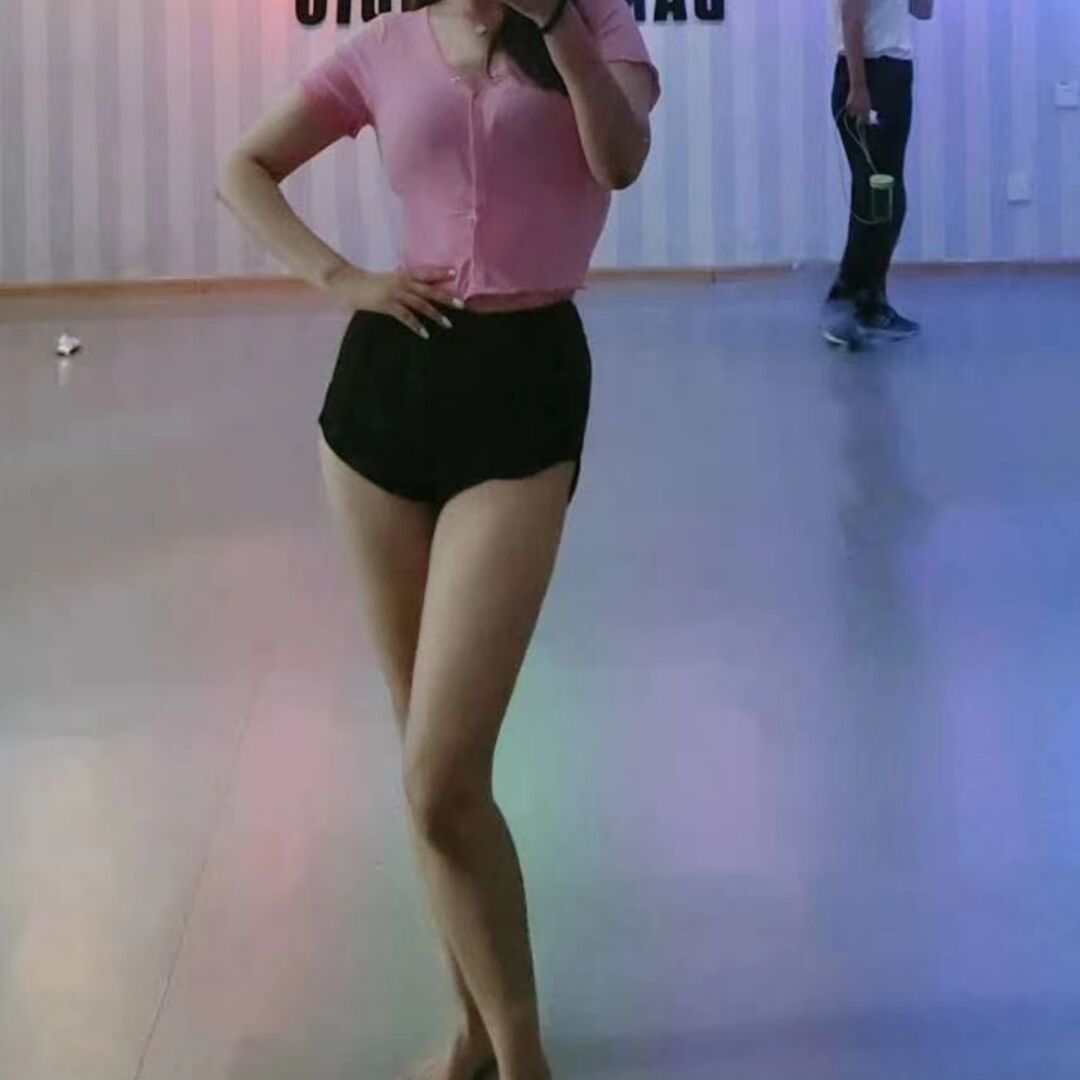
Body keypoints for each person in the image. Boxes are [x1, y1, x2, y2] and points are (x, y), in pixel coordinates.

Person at [217, 0, 659, 1075]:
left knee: (441, 771)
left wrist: (555, 23)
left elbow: (621, 161)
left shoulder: (597, 25)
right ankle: (474, 1028)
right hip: (386, 391)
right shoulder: (386, 44)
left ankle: (520, 1055)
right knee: (426, 758)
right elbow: (246, 166)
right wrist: (342, 279)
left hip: (524, 385)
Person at [823, 0, 934, 348]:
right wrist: (858, 88)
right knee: (875, 198)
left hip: (895, 73)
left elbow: (922, 11)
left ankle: (872, 302)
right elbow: (851, 16)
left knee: (887, 201)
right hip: (868, 75)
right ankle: (844, 305)